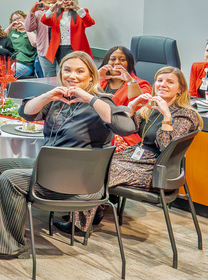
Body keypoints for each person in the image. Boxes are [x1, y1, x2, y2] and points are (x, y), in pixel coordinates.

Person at [0, 52, 134, 260]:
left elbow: (125, 127)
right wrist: (47, 96)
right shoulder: (59, 99)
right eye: (67, 70)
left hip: (78, 181)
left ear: (91, 76)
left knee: (10, 179)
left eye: (80, 71)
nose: (73, 76)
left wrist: (89, 98)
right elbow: (26, 112)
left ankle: (7, 245)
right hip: (50, 172)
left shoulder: (102, 102)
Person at [60, 67, 204, 233]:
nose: (163, 84)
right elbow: (128, 128)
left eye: (170, 82)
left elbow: (167, 148)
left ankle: (79, 223)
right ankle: (92, 211)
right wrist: (132, 107)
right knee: (93, 159)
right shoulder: (152, 107)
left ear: (180, 89)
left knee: (101, 169)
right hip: (136, 158)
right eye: (159, 80)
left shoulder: (185, 114)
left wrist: (167, 116)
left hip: (155, 168)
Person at [40, 0, 94, 65]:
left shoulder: (81, 11)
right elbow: (44, 20)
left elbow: (89, 23)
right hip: (60, 48)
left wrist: (77, 8)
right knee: (63, 70)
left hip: (76, 48)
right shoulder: (55, 13)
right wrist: (52, 8)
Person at [25, 0, 58, 77]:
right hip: (45, 50)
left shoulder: (61, 11)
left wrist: (51, 8)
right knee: (49, 77)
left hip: (60, 50)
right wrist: (31, 11)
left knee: (62, 77)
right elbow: (29, 28)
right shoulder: (38, 13)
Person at [6, 11, 37, 79]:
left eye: (18, 18)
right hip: (10, 62)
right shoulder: (12, 32)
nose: (17, 21)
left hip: (25, 64)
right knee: (0, 72)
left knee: (9, 73)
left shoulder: (32, 31)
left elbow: (34, 42)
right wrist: (10, 27)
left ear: (25, 18)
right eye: (14, 20)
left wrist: (26, 27)